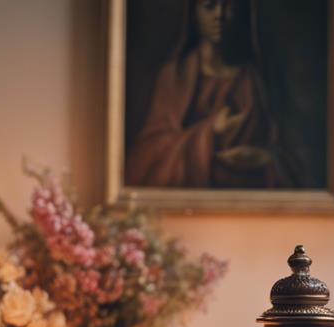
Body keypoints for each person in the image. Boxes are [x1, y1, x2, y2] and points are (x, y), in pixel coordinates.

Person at [125, 0, 298, 189]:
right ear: (194, 14)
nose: (220, 15)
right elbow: (149, 155)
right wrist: (211, 132)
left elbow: (283, 153)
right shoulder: (174, 77)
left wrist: (265, 159)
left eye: (229, 6)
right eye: (209, 6)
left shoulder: (253, 79)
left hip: (246, 195)